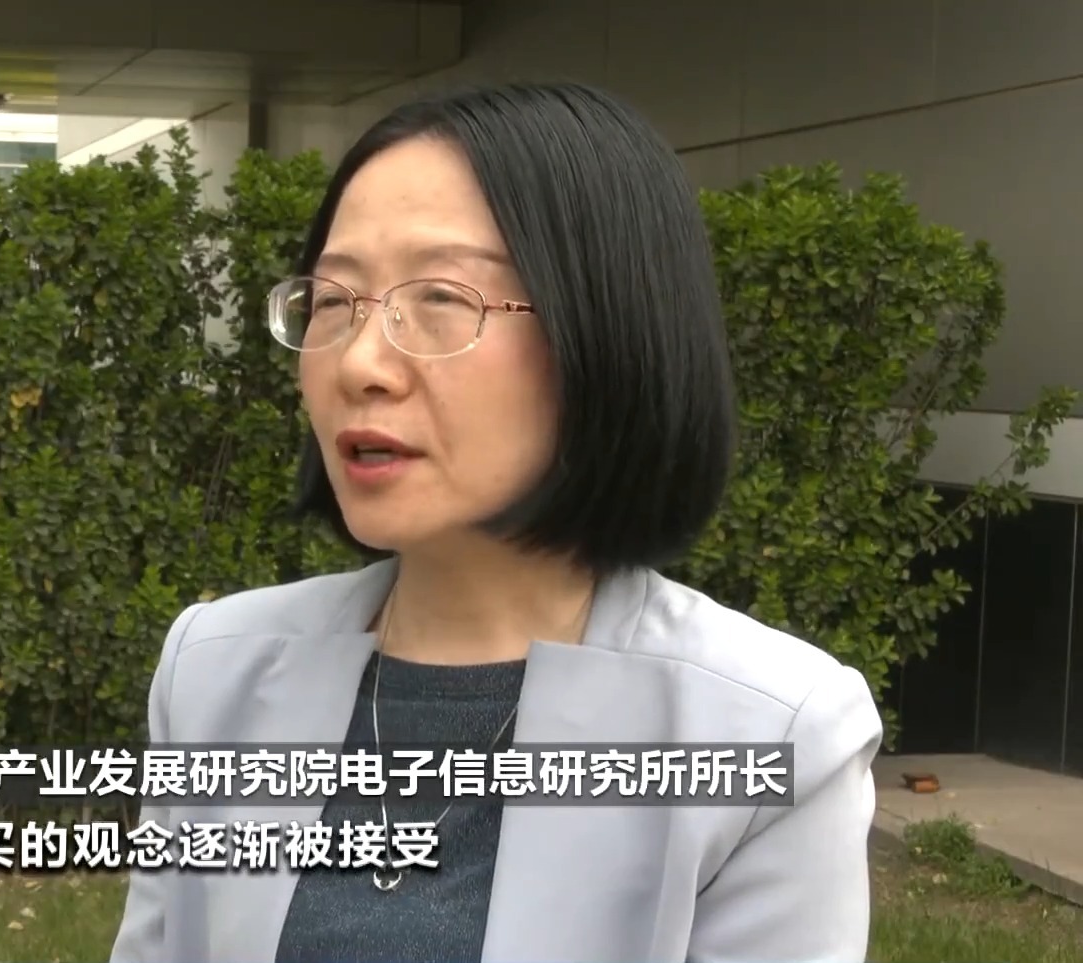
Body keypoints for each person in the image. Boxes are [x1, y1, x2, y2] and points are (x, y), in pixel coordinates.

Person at [108, 81, 881, 963]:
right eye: (333, 301)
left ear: (606, 330)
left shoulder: (773, 734)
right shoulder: (213, 670)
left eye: (442, 298)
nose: (360, 363)